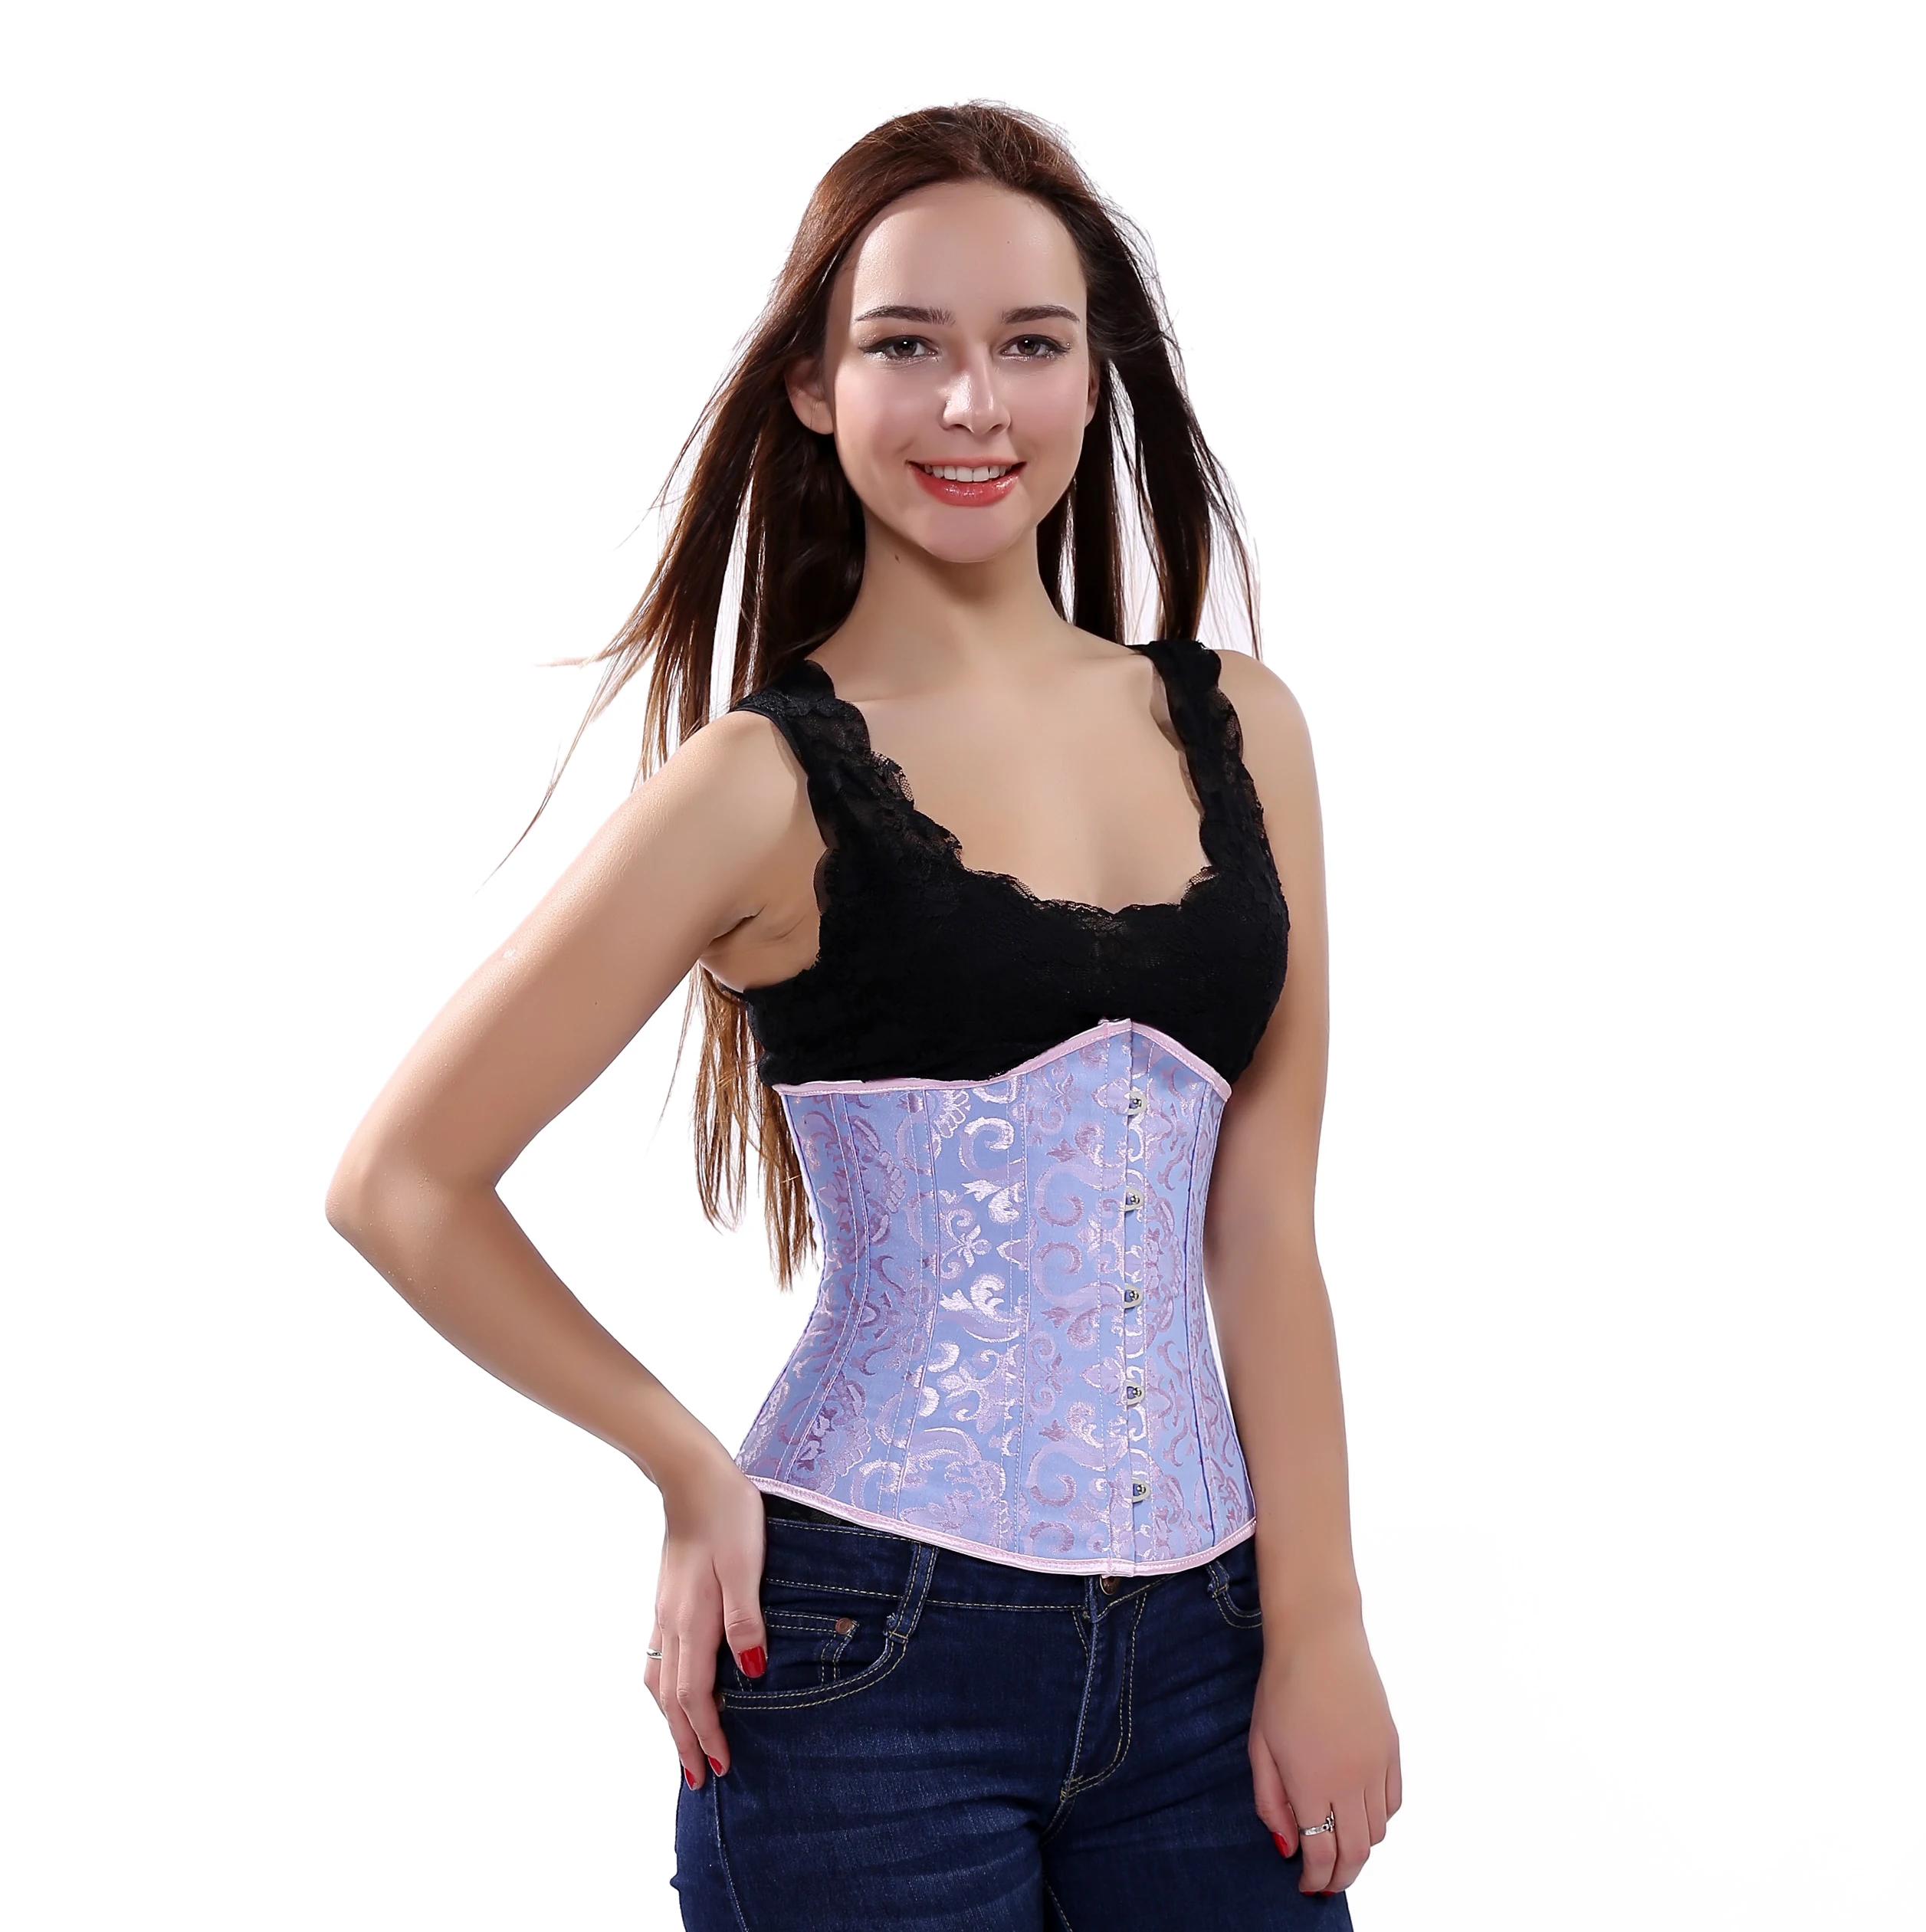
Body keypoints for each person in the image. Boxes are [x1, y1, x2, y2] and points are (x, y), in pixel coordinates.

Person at [326, 101, 1400, 1928]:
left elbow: (1263, 1232)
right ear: (817, 386)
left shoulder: (1246, 728)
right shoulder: (758, 784)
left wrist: (1323, 1623)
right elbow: (401, 1181)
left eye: (1029, 346)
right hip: (859, 1659)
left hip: (1213, 1656)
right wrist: (683, 1467)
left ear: (1094, 378)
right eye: (907, 346)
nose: (973, 404)